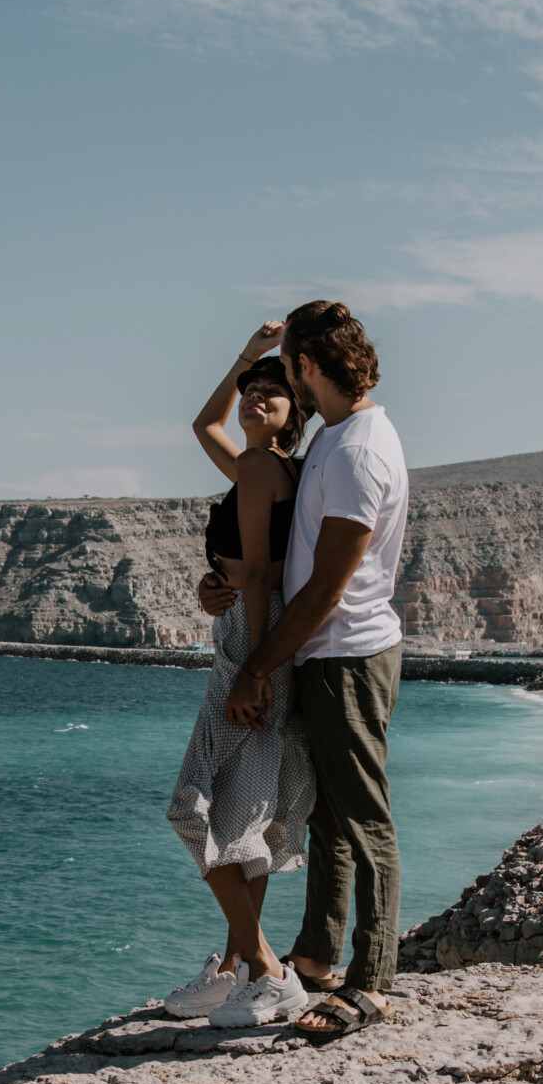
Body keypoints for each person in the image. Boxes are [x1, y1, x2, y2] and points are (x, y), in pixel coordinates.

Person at [202, 301, 409, 1044]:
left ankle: (373, 979)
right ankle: (317, 954)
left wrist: (256, 666)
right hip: (322, 652)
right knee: (328, 815)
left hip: (347, 652)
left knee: (362, 815)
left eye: (288, 363)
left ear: (308, 368)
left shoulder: (357, 451)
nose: (282, 374)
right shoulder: (332, 436)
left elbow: (328, 585)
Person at [164, 323, 316, 1029]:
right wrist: (247, 358)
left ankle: (265, 968)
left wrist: (252, 667)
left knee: (192, 806)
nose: (254, 399)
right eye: (250, 393)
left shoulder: (261, 468)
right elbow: (203, 422)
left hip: (251, 639)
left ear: (294, 418)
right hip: (262, 630)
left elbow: (256, 571)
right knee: (246, 815)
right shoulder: (267, 468)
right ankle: (232, 969)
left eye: (271, 397)